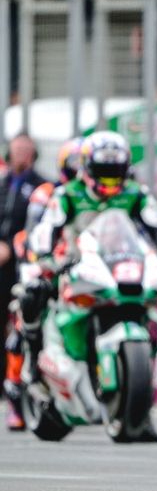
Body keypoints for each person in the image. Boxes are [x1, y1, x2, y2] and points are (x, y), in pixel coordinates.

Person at [23, 131, 157, 440]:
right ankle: (33, 362)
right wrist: (45, 258)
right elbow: (46, 229)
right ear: (88, 168)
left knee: (148, 313)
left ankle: (138, 416)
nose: (110, 179)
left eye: (115, 172)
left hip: (117, 264)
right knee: (33, 292)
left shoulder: (136, 193)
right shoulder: (68, 194)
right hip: (73, 264)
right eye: (104, 172)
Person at [4, 138, 82, 430]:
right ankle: (20, 386)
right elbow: (30, 236)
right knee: (27, 309)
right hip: (50, 268)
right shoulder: (46, 194)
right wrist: (38, 261)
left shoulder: (104, 198)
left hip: (86, 270)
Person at [0, 134, 47, 430]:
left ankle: (25, 393)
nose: (19, 154)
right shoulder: (3, 182)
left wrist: (11, 245)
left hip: (26, 267)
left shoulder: (42, 186)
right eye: (15, 149)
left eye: (24, 150)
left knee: (24, 325)